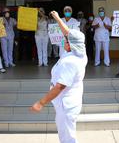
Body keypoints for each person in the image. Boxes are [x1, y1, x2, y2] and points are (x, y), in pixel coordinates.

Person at [30, 10, 87, 143]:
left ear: (70, 44)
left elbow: (60, 86)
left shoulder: (70, 62)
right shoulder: (80, 52)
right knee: (66, 134)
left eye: (66, 40)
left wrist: (41, 102)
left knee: (67, 137)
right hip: (69, 102)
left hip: (66, 105)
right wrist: (57, 18)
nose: (64, 40)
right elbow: (68, 33)